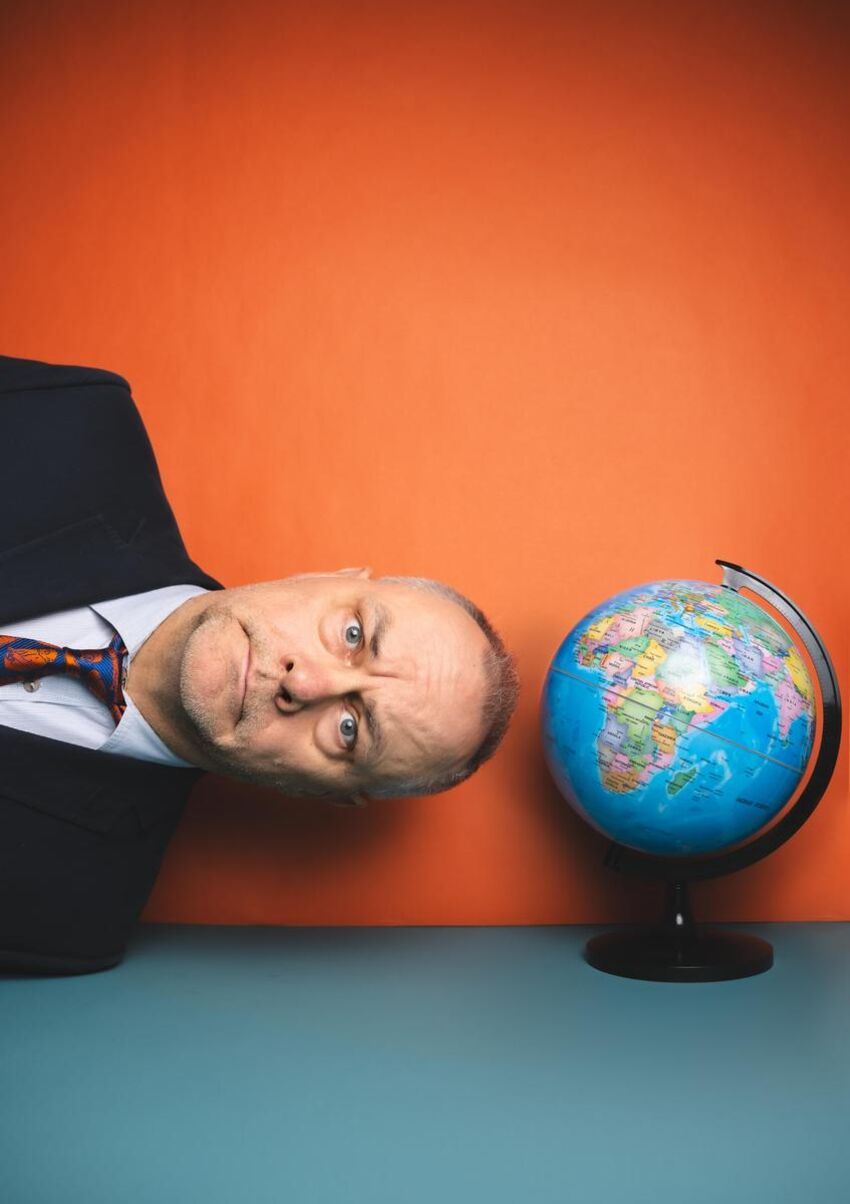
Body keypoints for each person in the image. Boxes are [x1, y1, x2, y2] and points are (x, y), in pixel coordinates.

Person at [0, 354, 519, 975]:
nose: (307, 681)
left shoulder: (68, 918)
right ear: (328, 575)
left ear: (324, 793)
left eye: (349, 728)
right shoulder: (67, 422)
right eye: (353, 634)